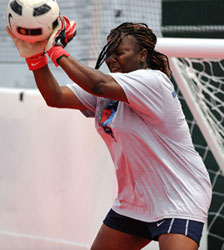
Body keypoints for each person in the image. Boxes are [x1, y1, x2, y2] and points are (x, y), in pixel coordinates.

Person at [6, 17, 212, 250]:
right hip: (134, 202)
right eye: (109, 54)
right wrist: (34, 57)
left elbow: (98, 84)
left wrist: (55, 50)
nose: (112, 59)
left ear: (143, 55)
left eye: (120, 53)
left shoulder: (153, 82)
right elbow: (55, 97)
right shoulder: (109, 89)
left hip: (179, 197)